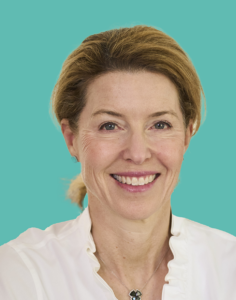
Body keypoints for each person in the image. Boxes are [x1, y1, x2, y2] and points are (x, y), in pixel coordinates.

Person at [0, 25, 235, 300]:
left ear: (187, 135)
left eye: (160, 124)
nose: (137, 153)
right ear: (71, 138)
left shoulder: (230, 269)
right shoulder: (17, 275)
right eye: (110, 125)